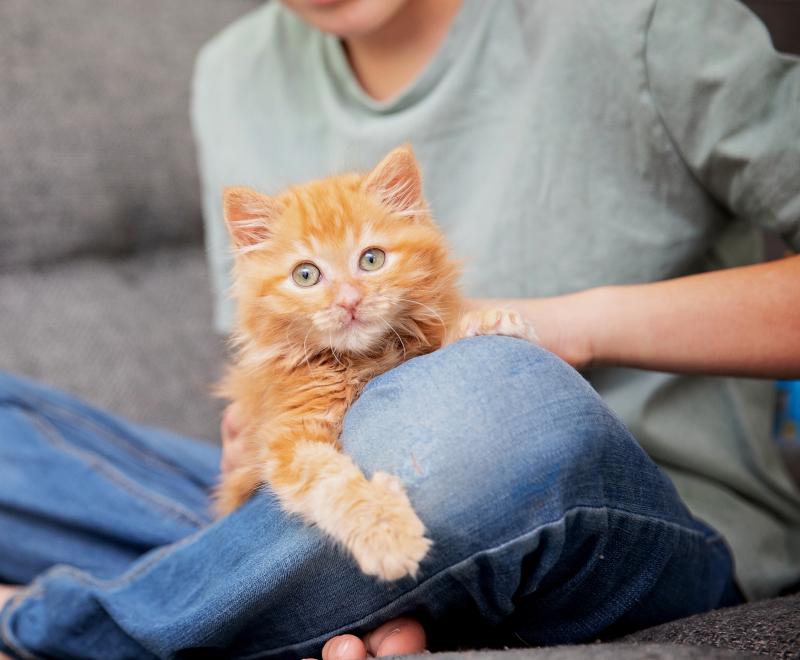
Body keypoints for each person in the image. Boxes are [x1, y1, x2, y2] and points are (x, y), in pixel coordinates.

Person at [1, 0, 799, 658]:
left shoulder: (631, 19)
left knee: (494, 401)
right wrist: (257, 438)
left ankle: (56, 628)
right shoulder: (232, 73)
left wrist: (573, 326)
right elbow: (278, 365)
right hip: (339, 495)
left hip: (639, 517)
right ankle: (258, 598)